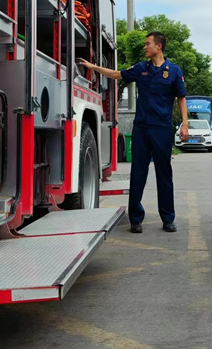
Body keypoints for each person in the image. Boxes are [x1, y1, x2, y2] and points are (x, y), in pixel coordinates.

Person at [78, 31, 187, 234]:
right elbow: (117, 74)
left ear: (158, 47)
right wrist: (94, 68)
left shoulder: (173, 71)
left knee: (164, 175)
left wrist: (185, 125)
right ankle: (135, 218)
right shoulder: (141, 69)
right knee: (138, 173)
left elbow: (181, 98)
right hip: (142, 129)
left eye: (148, 44)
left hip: (162, 129)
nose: (145, 47)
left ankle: (168, 218)